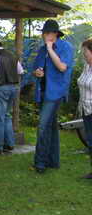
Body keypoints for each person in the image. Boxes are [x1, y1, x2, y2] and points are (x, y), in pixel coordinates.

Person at [31, 19, 74, 174]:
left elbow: (62, 67)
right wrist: (37, 72)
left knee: (43, 125)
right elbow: (35, 69)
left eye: (47, 33)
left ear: (55, 34)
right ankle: (53, 161)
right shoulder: (42, 50)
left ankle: (40, 163)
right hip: (42, 92)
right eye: (43, 33)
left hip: (56, 92)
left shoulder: (65, 47)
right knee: (50, 126)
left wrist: (50, 49)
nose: (44, 36)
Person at [77, 38, 92, 179]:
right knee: (90, 142)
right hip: (86, 110)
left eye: (85, 52)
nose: (84, 54)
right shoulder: (87, 66)